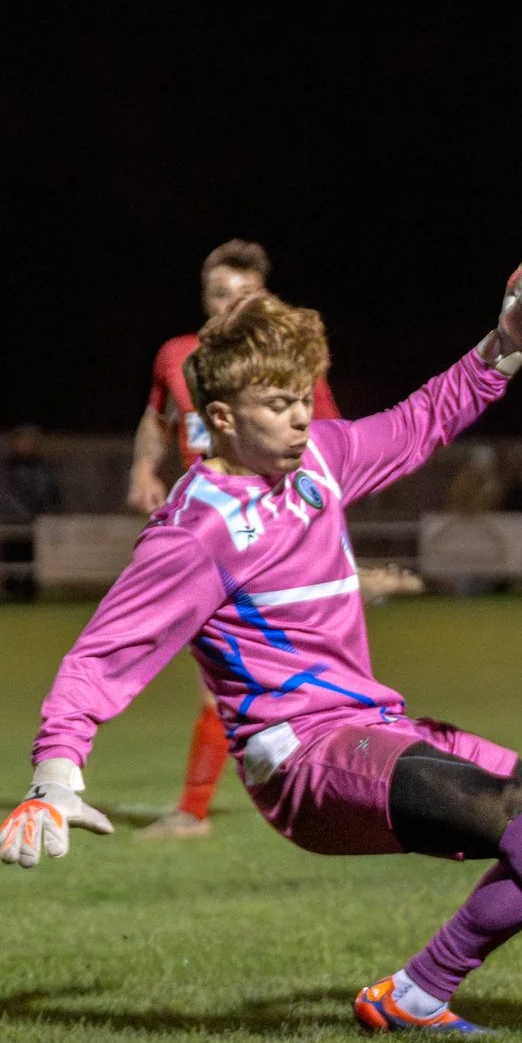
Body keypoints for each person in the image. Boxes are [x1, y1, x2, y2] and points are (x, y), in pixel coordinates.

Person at [0, 253, 522, 1033]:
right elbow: (102, 654)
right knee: (511, 815)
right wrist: (55, 773)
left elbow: (424, 418)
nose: (303, 414)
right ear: (223, 418)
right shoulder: (197, 529)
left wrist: (509, 340)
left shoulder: (319, 463)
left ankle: (415, 991)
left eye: (304, 394)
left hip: (374, 725)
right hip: (300, 758)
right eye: (278, 402)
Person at [127, 241, 344, 839]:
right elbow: (157, 419)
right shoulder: (179, 356)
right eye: (220, 294)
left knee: (241, 677)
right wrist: (143, 468)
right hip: (203, 531)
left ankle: (198, 811)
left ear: (262, 300)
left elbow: (327, 441)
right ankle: (310, 787)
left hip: (269, 532)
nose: (228, 306)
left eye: (242, 297)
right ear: (205, 296)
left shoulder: (289, 362)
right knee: (239, 677)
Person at [0, 425, 65, 601]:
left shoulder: (41, 467)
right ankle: (10, 592)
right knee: (11, 555)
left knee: (30, 557)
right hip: (13, 520)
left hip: (34, 521)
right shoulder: (9, 467)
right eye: (23, 441)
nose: (27, 445)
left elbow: (49, 492)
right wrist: (17, 511)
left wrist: (45, 511)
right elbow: (6, 493)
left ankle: (28, 593)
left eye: (30, 442)